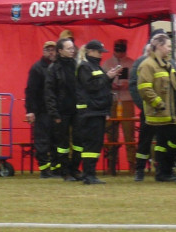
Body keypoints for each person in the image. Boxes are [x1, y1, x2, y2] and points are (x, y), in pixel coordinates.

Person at [136, 32, 176, 182]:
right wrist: (159, 104)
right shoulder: (147, 65)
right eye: (168, 46)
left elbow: (175, 89)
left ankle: (163, 172)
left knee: (170, 142)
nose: (169, 49)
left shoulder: (168, 65)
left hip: (169, 114)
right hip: (157, 113)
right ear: (160, 46)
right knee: (148, 142)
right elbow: (144, 89)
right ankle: (147, 171)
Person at [74, 40, 119, 185]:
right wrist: (108, 77)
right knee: (91, 144)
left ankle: (90, 174)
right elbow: (91, 87)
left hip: (97, 110)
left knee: (96, 143)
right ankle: (88, 174)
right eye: (99, 52)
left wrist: (108, 77)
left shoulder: (94, 66)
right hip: (90, 111)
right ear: (90, 52)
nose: (101, 55)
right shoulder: (84, 67)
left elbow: (100, 87)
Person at [44, 37, 80, 181]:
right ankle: (64, 171)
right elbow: (49, 92)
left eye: (73, 48)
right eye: (69, 48)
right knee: (62, 144)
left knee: (78, 142)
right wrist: (54, 113)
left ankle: (75, 169)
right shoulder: (54, 68)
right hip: (61, 111)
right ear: (60, 51)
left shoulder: (76, 65)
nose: (72, 51)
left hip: (77, 110)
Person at [24, 40, 58, 177]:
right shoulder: (37, 68)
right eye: (48, 50)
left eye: (53, 49)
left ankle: (57, 168)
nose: (51, 52)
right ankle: (44, 169)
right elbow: (30, 91)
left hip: (55, 111)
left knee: (56, 141)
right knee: (42, 141)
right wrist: (30, 111)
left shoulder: (58, 67)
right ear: (43, 51)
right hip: (42, 111)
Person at [102, 39, 135, 172]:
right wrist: (110, 84)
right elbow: (102, 82)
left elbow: (137, 82)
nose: (119, 54)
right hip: (112, 100)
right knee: (111, 133)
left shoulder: (132, 63)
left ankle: (132, 164)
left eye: (122, 51)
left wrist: (129, 84)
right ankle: (111, 164)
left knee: (129, 132)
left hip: (127, 100)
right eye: (117, 51)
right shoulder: (107, 63)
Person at [129, 39, 155, 181]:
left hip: (163, 110)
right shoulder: (141, 63)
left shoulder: (167, 63)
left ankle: (163, 169)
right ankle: (139, 170)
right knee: (145, 140)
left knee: (163, 141)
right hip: (148, 110)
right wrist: (142, 105)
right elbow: (134, 86)